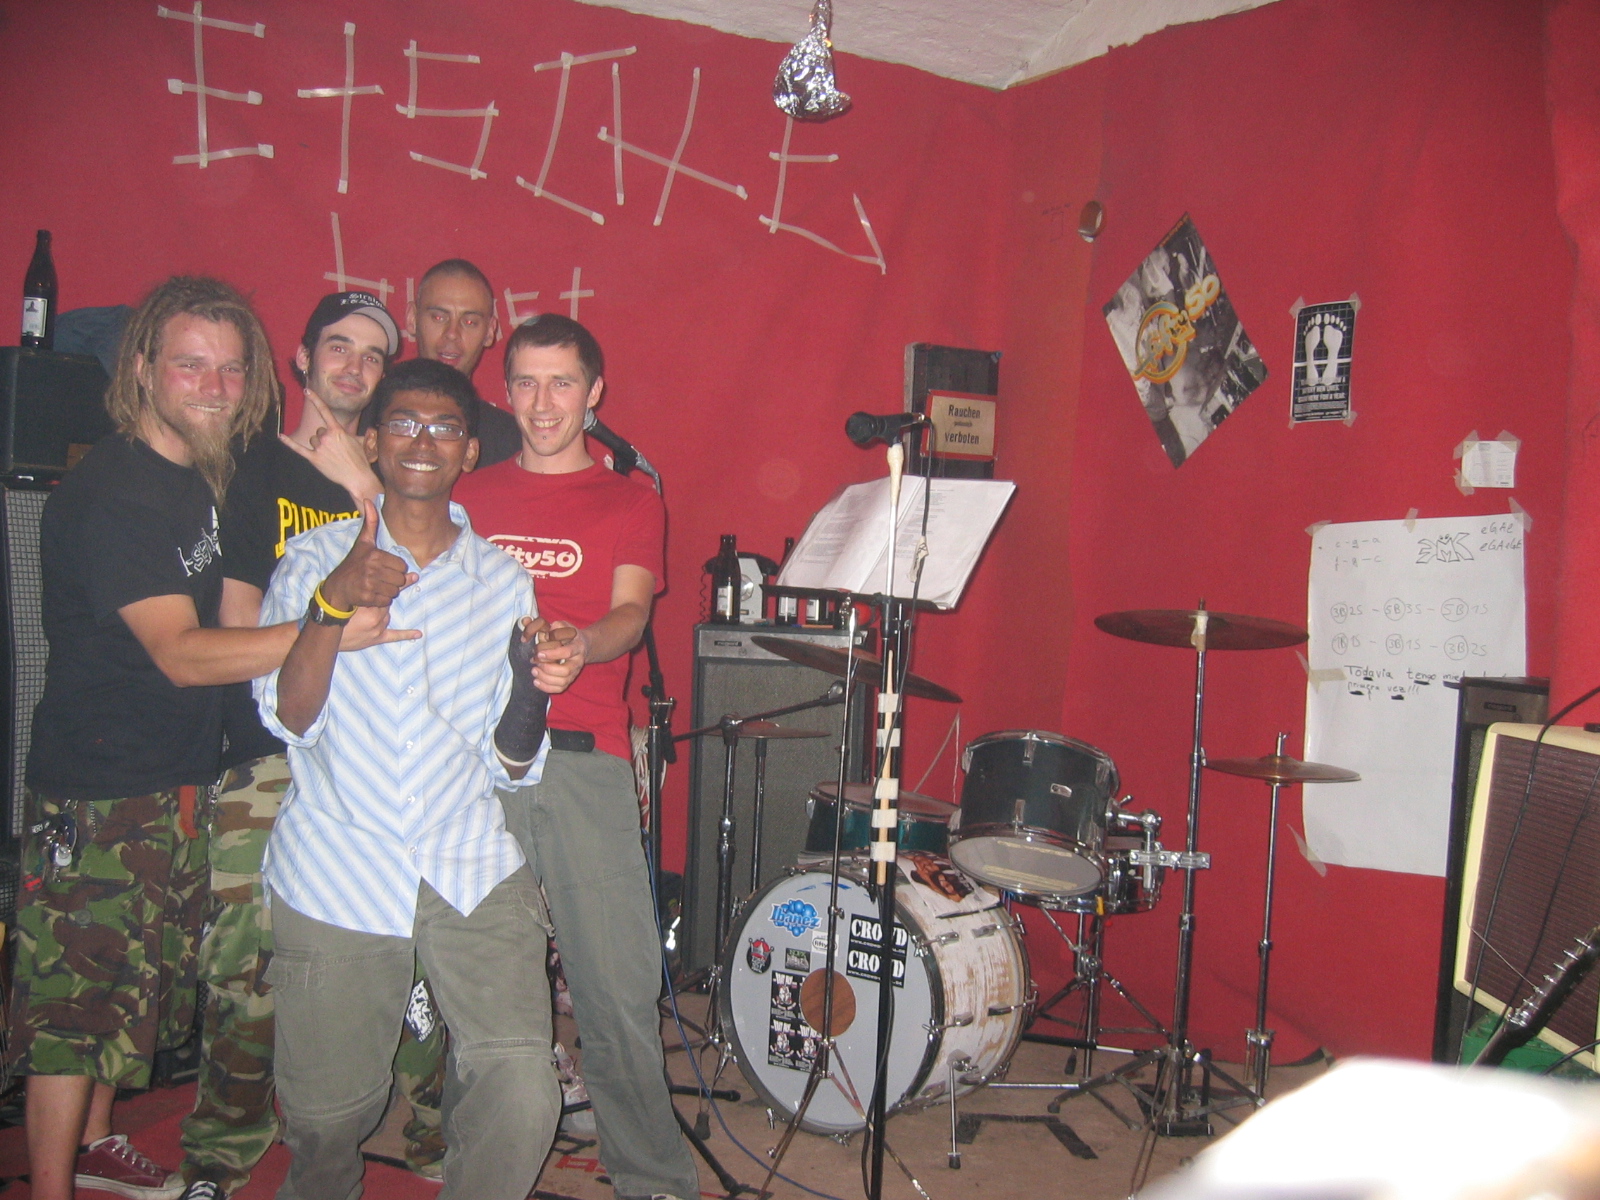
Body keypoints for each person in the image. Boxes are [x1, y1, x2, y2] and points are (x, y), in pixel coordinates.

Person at [8, 276, 405, 1200]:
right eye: (191, 366)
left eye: (230, 370)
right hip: (101, 786)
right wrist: (326, 628)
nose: (215, 387)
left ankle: (99, 1143)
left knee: (133, 985)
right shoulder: (117, 492)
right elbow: (184, 655)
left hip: (172, 775)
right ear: (143, 368)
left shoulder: (196, 478)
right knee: (77, 1010)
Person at [255, 357, 560, 1200]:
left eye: (445, 428)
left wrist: (534, 682)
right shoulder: (313, 558)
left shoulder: (502, 580)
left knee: (523, 1089)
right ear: (371, 442)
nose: (424, 442)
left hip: (467, 854)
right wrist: (331, 605)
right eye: (403, 423)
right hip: (340, 857)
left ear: (470, 450)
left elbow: (512, 761)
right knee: (328, 1117)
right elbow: (290, 716)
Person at [176, 291, 451, 1198]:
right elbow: (236, 625)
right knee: (247, 960)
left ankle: (434, 1124)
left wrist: (365, 485)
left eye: (373, 355)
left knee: (410, 944)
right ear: (300, 359)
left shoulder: (399, 470)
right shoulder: (253, 468)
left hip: (372, 754)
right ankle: (222, 1153)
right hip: (266, 751)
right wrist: (327, 629)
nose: (355, 367)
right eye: (339, 346)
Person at [455, 314, 700, 1200]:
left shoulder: (630, 500)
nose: (543, 401)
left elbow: (631, 614)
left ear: (595, 392)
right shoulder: (466, 494)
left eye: (562, 382)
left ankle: (652, 1178)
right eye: (525, 381)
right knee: (483, 993)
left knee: (617, 991)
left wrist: (580, 643)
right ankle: (477, 1170)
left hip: (584, 756)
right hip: (473, 767)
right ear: (505, 391)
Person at [407, 258, 520, 466]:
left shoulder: (509, 441)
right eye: (439, 317)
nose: (452, 334)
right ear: (412, 319)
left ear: (490, 331)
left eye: (469, 322)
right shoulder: (370, 417)